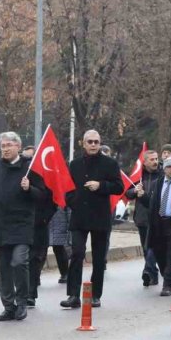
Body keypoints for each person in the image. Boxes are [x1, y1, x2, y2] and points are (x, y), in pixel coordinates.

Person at [0, 132, 49, 321]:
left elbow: (43, 196)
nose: (6, 148)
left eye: (9, 145)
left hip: (22, 226)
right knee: (4, 268)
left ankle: (22, 301)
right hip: (0, 225)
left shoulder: (29, 169)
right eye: (3, 145)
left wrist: (30, 189)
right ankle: (8, 305)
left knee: (19, 262)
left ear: (18, 147)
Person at [61, 130, 124, 309]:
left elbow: (119, 187)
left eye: (96, 142)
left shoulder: (110, 163)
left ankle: (95, 294)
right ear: (83, 143)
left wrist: (101, 185)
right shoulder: (74, 164)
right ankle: (73, 295)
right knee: (77, 253)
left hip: (100, 216)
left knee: (98, 257)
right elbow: (68, 188)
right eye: (90, 142)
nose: (93, 145)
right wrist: (73, 202)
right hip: (80, 216)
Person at [21, 146, 58, 307]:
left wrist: (44, 219)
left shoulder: (44, 175)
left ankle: (30, 293)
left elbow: (51, 198)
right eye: (26, 158)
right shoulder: (19, 173)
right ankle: (21, 291)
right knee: (21, 259)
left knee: (36, 258)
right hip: (20, 223)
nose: (29, 161)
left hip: (39, 223)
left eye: (32, 158)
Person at [142, 157, 171, 296]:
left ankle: (168, 284)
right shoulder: (156, 183)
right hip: (158, 222)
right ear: (164, 168)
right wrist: (141, 196)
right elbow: (150, 203)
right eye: (169, 167)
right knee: (159, 252)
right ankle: (168, 276)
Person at [125, 149, 162, 287]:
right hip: (142, 217)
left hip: (158, 217)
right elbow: (127, 193)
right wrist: (134, 191)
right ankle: (152, 274)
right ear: (144, 162)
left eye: (156, 159)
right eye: (151, 159)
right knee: (146, 247)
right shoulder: (139, 176)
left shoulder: (162, 174)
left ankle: (148, 270)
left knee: (152, 245)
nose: (155, 162)